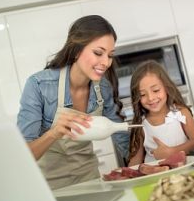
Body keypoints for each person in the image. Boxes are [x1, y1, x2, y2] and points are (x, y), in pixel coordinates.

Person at [17, 15, 129, 190]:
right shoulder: (39, 85)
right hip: (50, 187)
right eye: (98, 53)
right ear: (76, 50)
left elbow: (122, 137)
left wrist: (141, 170)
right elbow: (25, 155)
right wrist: (53, 133)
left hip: (90, 179)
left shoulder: (103, 88)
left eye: (110, 55)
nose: (106, 62)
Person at [128, 60, 194, 166]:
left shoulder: (180, 112)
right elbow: (135, 161)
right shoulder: (140, 124)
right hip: (154, 178)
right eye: (142, 94)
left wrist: (171, 152)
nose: (151, 98)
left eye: (155, 90)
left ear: (166, 87)